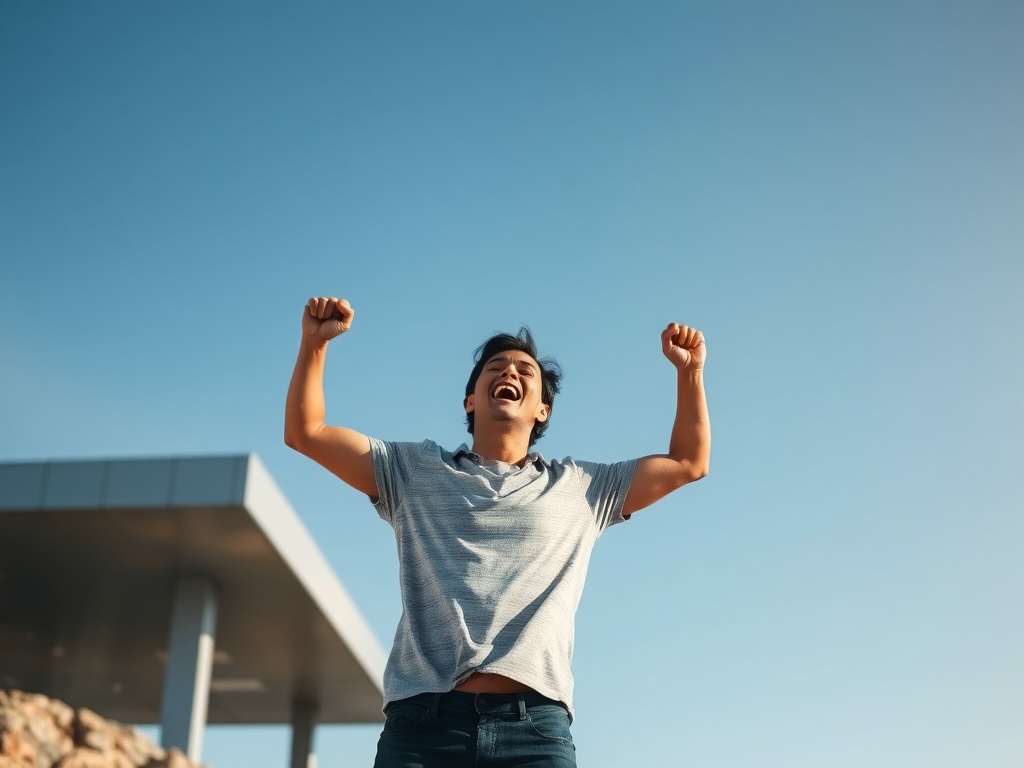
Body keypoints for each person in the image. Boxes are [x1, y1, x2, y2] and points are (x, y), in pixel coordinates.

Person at [284, 296, 710, 768]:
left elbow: (688, 462)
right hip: (423, 727)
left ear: (542, 410)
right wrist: (314, 345)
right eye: (496, 366)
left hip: (535, 731)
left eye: (525, 371)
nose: (510, 372)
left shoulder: (583, 489)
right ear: (471, 399)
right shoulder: (412, 471)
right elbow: (306, 431)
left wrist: (689, 373)